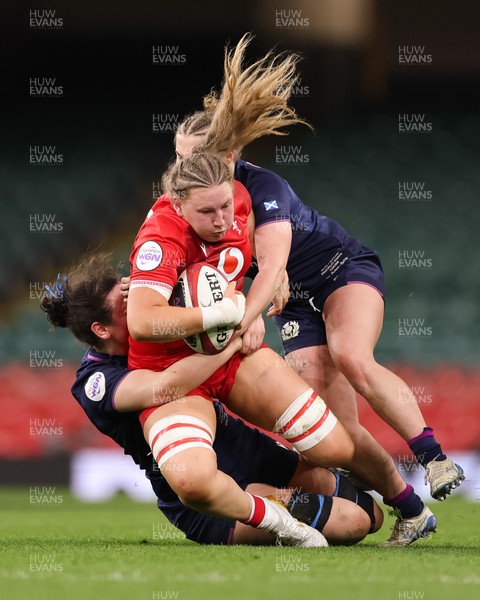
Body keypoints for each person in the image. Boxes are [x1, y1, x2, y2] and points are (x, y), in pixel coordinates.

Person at [172, 33, 464, 545]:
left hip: (339, 270)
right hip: (296, 305)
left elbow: (273, 265)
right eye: (180, 160)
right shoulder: (196, 204)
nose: (186, 171)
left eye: (198, 160)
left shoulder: (265, 190)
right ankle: (412, 510)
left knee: (352, 355)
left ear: (231, 152)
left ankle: (434, 458)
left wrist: (244, 318)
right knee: (331, 432)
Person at [40, 252, 383, 546]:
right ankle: (279, 522)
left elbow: (204, 278)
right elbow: (166, 385)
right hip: (200, 495)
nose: (138, 306)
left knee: (374, 515)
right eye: (124, 305)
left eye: (133, 295)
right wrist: (233, 339)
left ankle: (401, 503)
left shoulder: (160, 321)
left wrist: (253, 302)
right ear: (101, 330)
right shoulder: (95, 381)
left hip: (243, 447)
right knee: (352, 522)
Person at [127, 150, 362, 546]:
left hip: (232, 355)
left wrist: (252, 306)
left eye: (224, 205)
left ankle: (301, 487)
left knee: (337, 450)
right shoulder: (160, 238)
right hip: (173, 373)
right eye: (207, 212)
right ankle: (276, 515)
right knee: (192, 481)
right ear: (178, 204)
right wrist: (224, 314)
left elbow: (257, 260)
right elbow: (143, 321)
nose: (221, 219)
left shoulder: (240, 199)